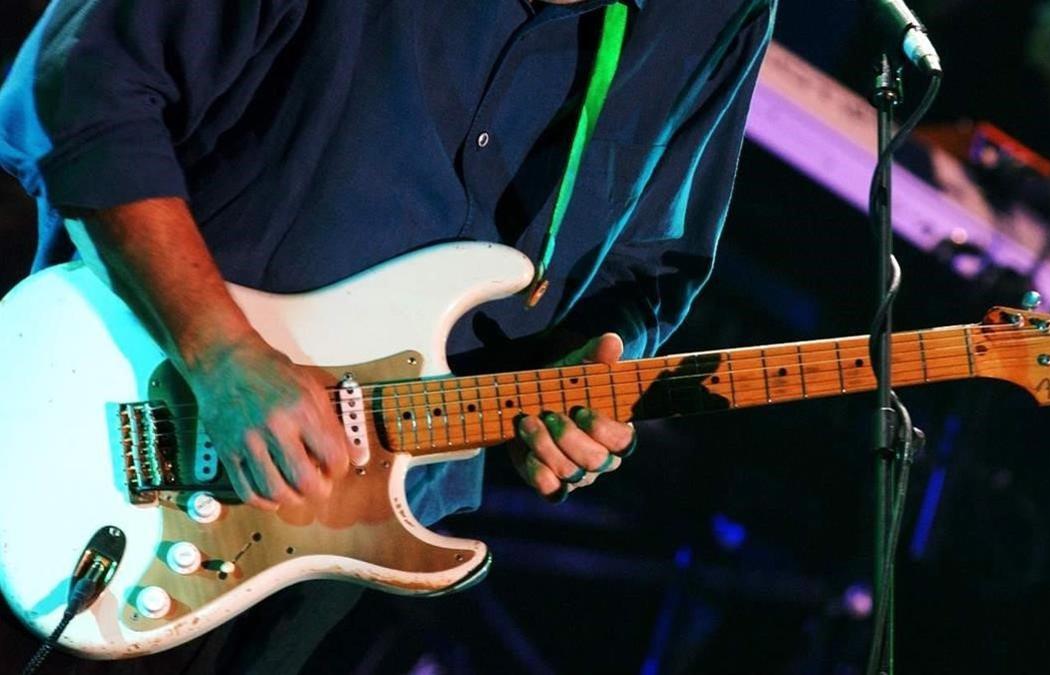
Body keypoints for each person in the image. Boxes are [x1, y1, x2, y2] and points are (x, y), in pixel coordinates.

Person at [0, 0, 775, 671]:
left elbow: (647, 266)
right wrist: (222, 349)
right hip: (93, 439)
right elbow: (77, 90)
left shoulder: (716, 13)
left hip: (360, 543)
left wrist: (594, 368)